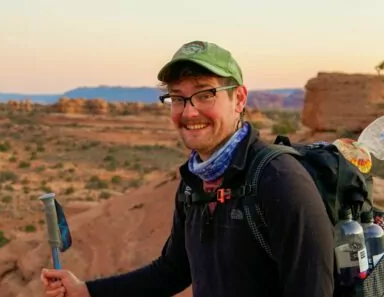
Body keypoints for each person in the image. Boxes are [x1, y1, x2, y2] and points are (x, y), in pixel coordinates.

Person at [40, 40, 335, 297]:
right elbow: (172, 270)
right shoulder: (195, 181)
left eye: (205, 94)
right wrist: (88, 291)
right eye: (178, 98)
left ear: (239, 99)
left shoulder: (279, 180)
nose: (189, 111)